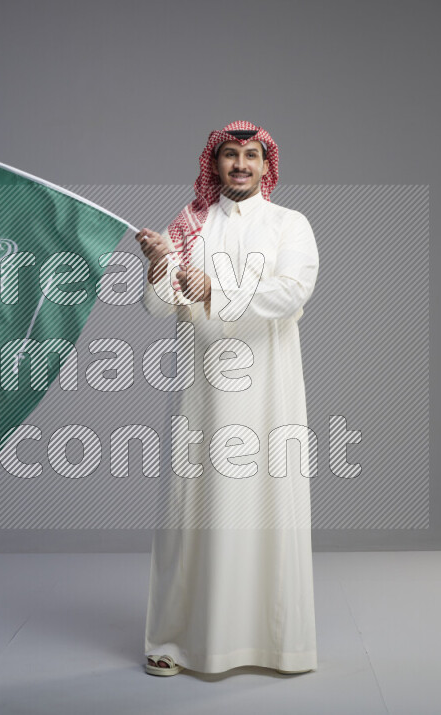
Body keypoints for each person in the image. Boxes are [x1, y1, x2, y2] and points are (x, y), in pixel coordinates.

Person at [135, 120, 320, 676]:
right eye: (230, 156)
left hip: (268, 392)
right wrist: (159, 267)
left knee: (268, 506)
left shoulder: (290, 225)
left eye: (251, 156)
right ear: (213, 166)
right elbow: (159, 308)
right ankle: (175, 642)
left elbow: (293, 293)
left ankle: (274, 645)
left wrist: (219, 289)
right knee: (191, 512)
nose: (240, 165)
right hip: (201, 393)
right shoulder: (190, 224)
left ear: (267, 167)